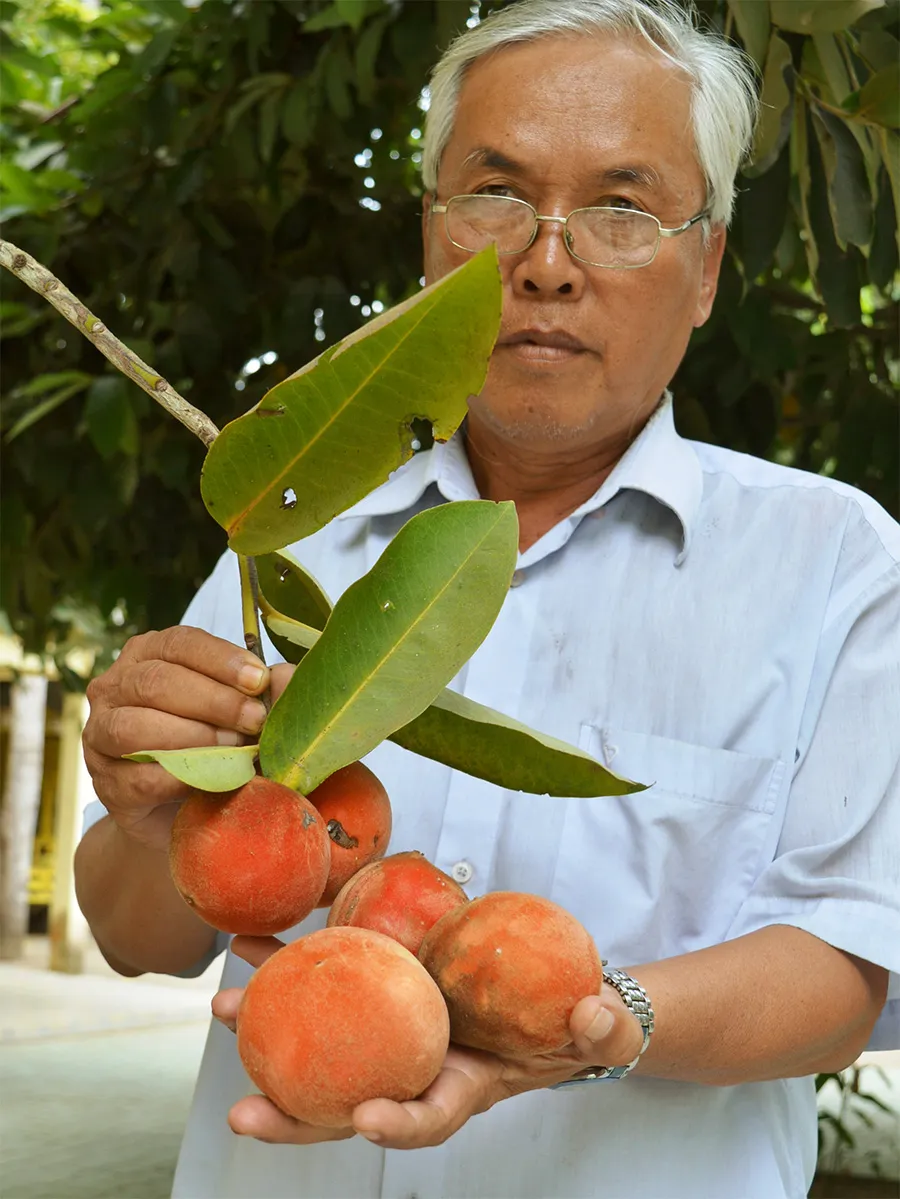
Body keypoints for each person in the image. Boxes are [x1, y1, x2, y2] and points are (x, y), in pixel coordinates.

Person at [74, 1, 899, 1196]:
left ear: (708, 264)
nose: (547, 260)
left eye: (622, 208)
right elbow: (132, 931)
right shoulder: (295, 539)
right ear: (430, 234)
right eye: (496, 195)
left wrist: (598, 1023)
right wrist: (155, 817)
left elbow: (850, 968)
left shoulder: (837, 562)